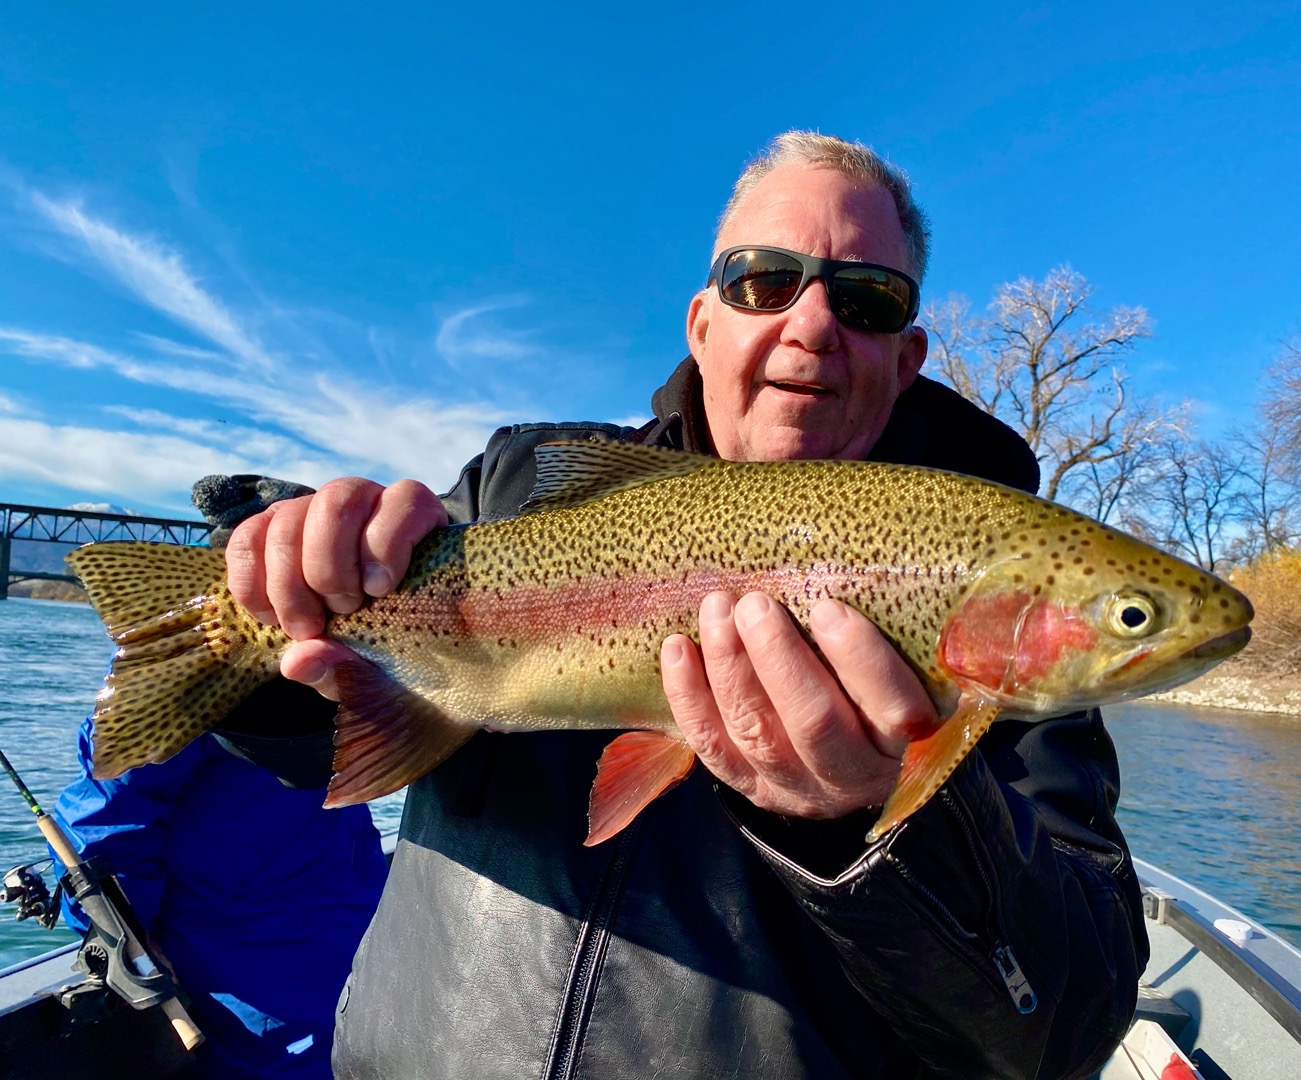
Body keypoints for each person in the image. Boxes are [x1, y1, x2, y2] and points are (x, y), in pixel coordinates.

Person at [219, 132, 1148, 1079]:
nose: (814, 322)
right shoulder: (520, 485)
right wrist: (277, 610)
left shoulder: (1000, 613)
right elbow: (309, 728)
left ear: (906, 358)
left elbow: (1067, 1025)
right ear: (702, 326)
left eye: (866, 297)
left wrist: (876, 827)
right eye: (763, 281)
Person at [52, 477, 389, 1080]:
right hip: (262, 978)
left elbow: (103, 816)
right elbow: (108, 819)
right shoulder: (197, 664)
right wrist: (124, 933)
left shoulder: (336, 659)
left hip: (348, 939)